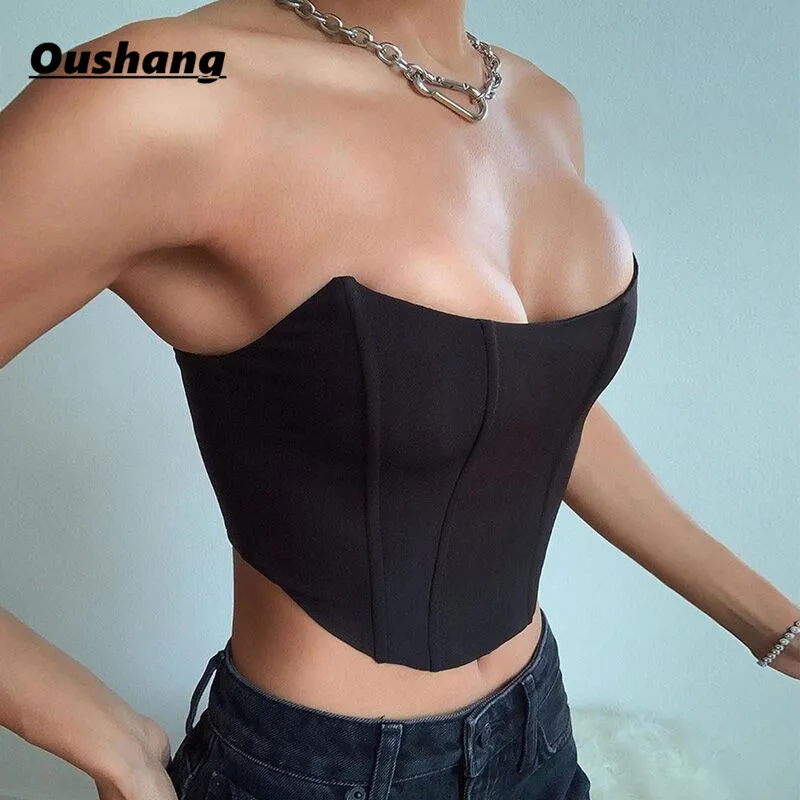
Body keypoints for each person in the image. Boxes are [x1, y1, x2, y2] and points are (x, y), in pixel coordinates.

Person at [1, 1, 798, 798]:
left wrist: (771, 622)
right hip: (322, 773)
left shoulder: (537, 105)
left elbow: (525, 410)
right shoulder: (150, 92)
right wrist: (97, 730)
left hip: (538, 737)